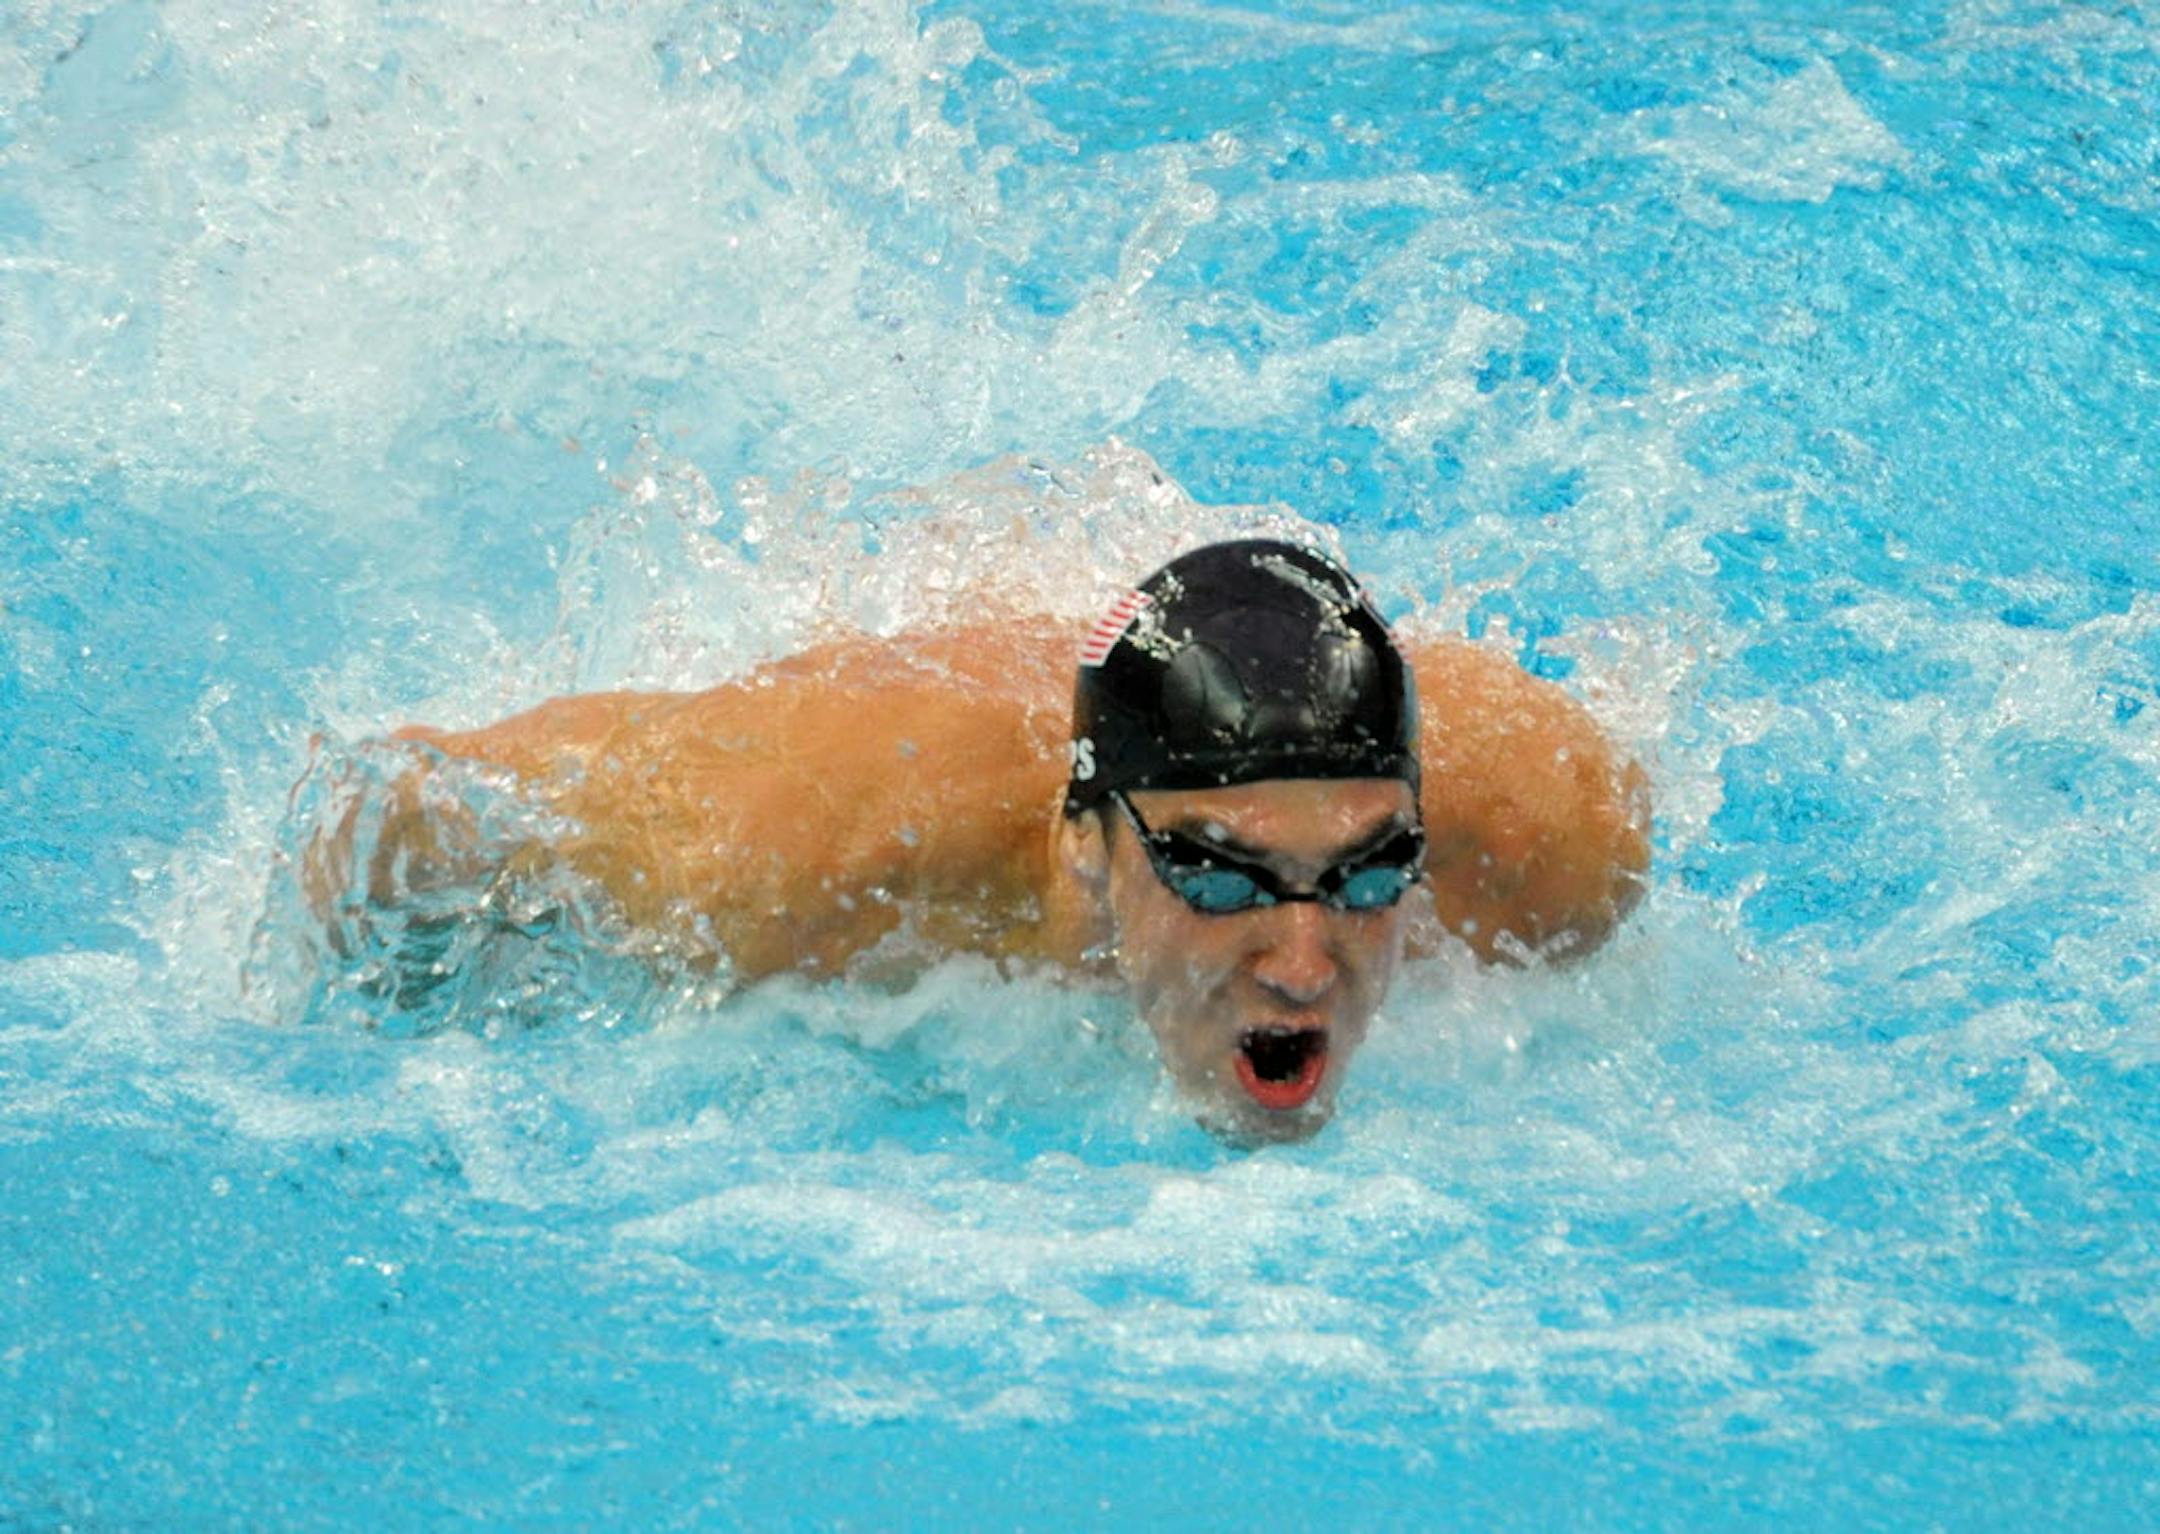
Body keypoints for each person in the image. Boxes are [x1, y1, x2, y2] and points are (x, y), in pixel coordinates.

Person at [316, 538, 1649, 1142]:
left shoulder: (1559, 847)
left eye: (1363, 872)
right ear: (1087, 838)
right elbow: (411, 807)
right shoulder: (781, 855)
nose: (1303, 961)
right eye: (1214, 870)